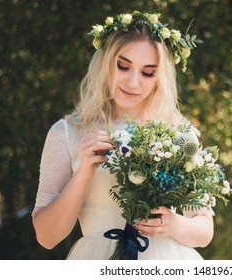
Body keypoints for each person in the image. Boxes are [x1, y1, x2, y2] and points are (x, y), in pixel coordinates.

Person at [32, 11, 213, 260]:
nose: (133, 82)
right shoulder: (68, 133)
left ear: (159, 78)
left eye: (148, 72)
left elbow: (204, 231)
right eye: (123, 66)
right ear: (105, 64)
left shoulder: (178, 134)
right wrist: (84, 172)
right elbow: (46, 237)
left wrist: (174, 224)